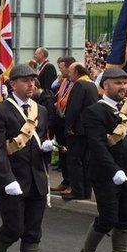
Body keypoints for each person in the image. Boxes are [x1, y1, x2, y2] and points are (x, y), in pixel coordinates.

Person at [0, 63, 53, 252]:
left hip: (36, 180)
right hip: (13, 181)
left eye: (33, 80)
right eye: (25, 80)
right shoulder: (1, 110)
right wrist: (7, 178)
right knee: (14, 228)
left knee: (33, 231)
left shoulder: (40, 111)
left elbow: (39, 140)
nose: (31, 84)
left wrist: (47, 149)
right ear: (13, 84)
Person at [75, 68, 127, 252]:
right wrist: (114, 169)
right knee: (108, 217)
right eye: (117, 83)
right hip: (106, 173)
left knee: (125, 218)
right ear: (105, 85)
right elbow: (97, 145)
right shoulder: (95, 111)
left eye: (125, 83)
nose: (123, 87)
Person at [63, 62, 99, 201]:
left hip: (77, 130)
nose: (69, 74)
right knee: (85, 161)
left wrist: (69, 127)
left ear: (77, 72)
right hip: (88, 129)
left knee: (75, 160)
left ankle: (77, 190)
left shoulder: (79, 85)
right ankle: (85, 191)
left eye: (71, 71)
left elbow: (74, 108)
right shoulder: (91, 84)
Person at [49, 56, 76, 196]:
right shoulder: (64, 81)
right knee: (62, 153)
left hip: (69, 122)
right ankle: (65, 180)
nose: (60, 70)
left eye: (61, 68)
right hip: (60, 119)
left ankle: (72, 183)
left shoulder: (77, 83)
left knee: (70, 154)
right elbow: (54, 88)